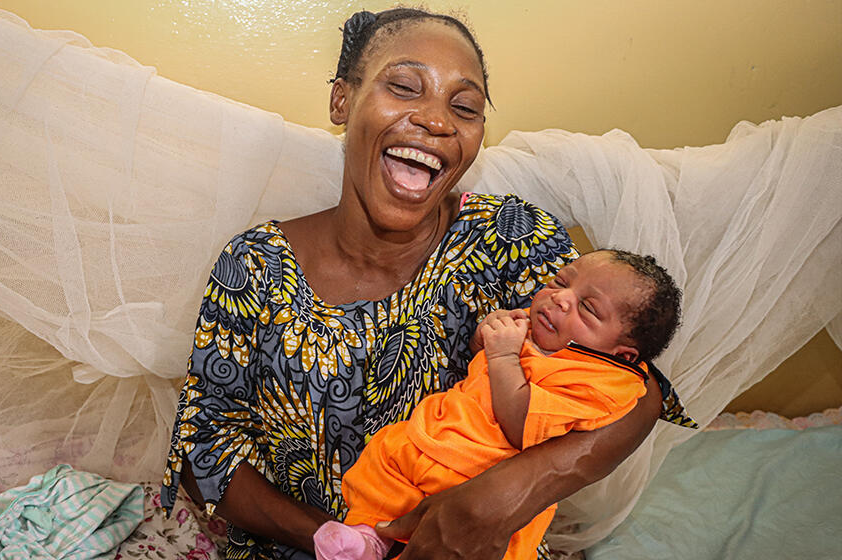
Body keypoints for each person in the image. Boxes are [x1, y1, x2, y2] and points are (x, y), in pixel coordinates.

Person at [161, 8, 693, 559]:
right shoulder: (254, 268)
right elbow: (202, 452)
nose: (437, 122)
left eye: (464, 107)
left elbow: (633, 386)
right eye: (404, 87)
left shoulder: (507, 239)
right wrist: (329, 538)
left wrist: (498, 499)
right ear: (342, 100)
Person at [312, 249, 695, 560]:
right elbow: (481, 373)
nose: (559, 299)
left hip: (476, 473)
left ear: (622, 354)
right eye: (560, 282)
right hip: (432, 440)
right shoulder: (539, 332)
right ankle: (368, 537)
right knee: (382, 473)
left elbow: (523, 423)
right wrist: (488, 337)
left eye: (588, 309)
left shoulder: (598, 381)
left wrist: (503, 357)